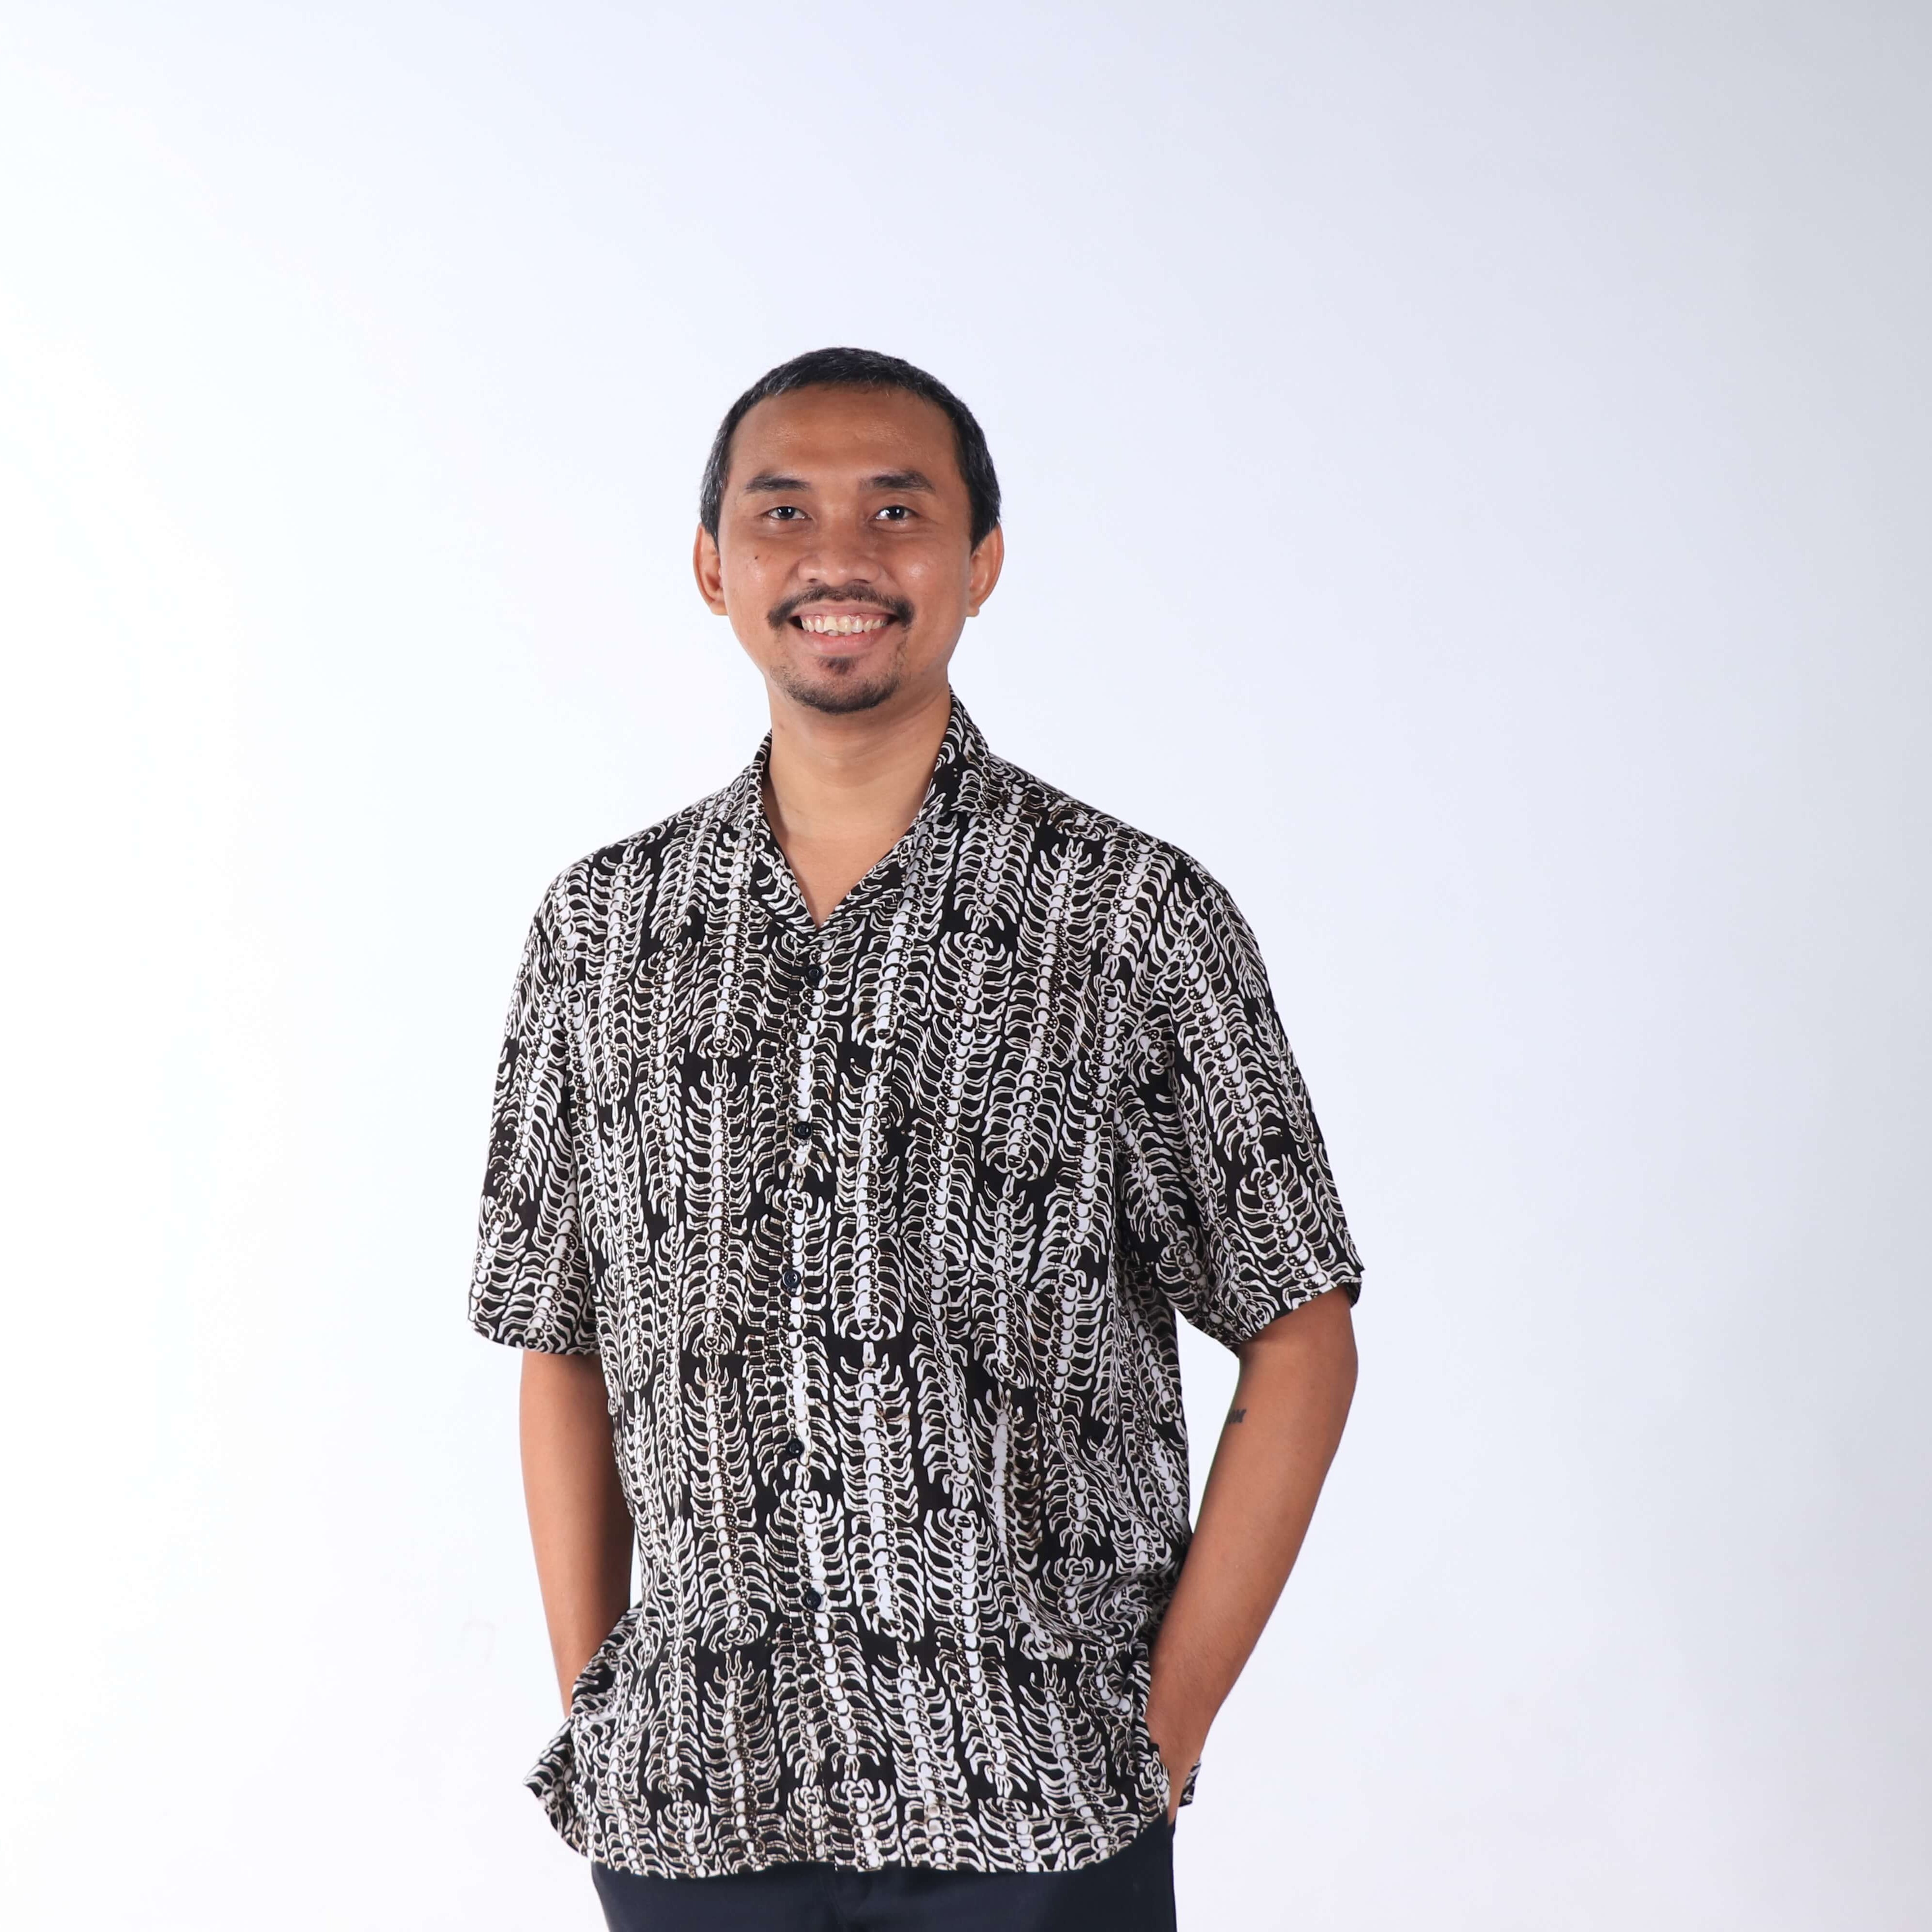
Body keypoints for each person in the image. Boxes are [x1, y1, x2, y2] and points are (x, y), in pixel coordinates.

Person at [469, 347, 1363, 1931]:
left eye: (897, 511)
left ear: (980, 561)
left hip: (1036, 1804)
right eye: (784, 512)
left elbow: (1299, 1325)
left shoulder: (1128, 918)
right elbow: (559, 1334)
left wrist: (1164, 1733)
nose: (840, 557)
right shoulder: (600, 932)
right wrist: (602, 1705)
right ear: (712, 566)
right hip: (692, 1808)